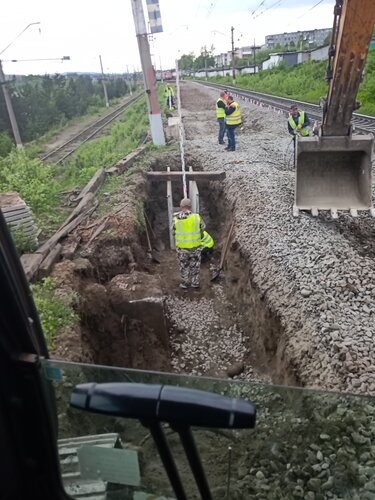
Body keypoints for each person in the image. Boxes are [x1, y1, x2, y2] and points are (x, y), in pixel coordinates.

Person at [173, 198, 205, 290]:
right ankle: (195, 283)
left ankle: (185, 284)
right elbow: (203, 227)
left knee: (184, 266)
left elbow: (173, 231)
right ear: (190, 207)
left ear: (180, 207)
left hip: (182, 249)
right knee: (195, 265)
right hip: (195, 248)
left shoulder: (176, 218)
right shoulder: (197, 217)